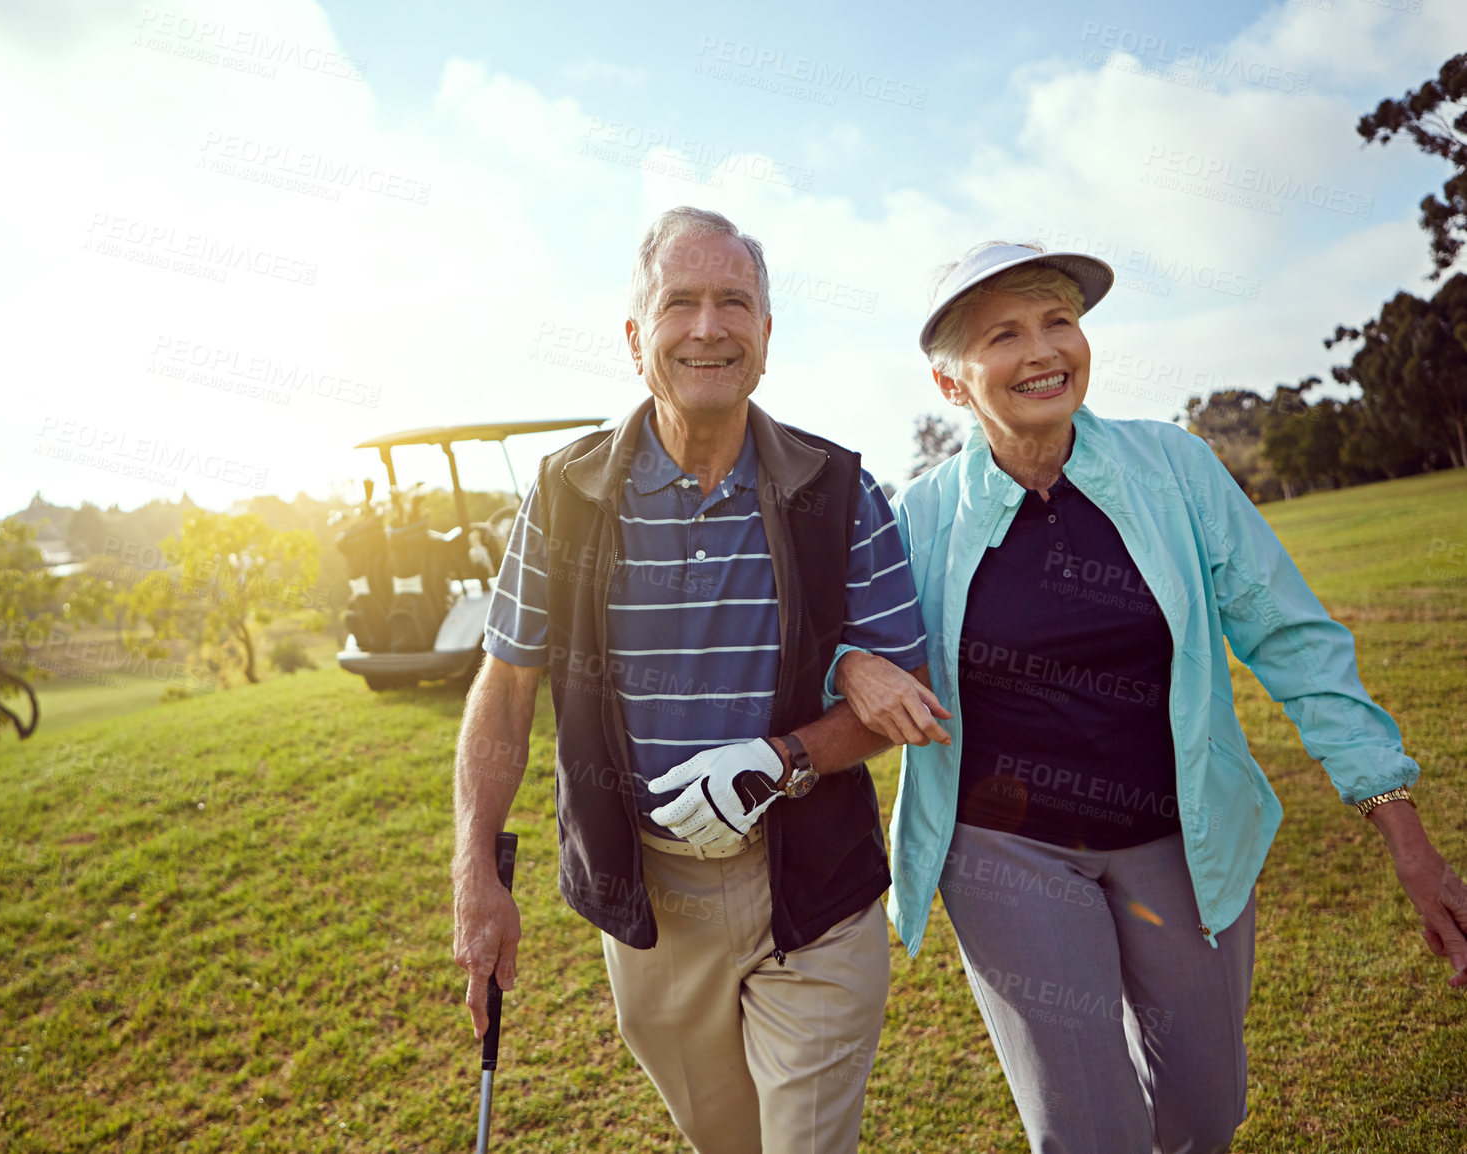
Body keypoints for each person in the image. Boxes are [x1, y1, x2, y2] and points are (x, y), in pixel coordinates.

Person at [830, 241, 1467, 1153]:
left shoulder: (1175, 468)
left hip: (1184, 835)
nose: (1044, 349)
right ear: (952, 384)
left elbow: (1292, 640)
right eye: (1004, 334)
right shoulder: (918, 516)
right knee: (1089, 1132)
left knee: (1205, 1113)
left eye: (1059, 321)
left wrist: (1402, 829)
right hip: (1009, 852)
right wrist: (854, 667)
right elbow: (846, 644)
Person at [449, 207, 940, 1153]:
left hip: (813, 894)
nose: (708, 327)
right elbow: (506, 688)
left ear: (765, 336)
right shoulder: (565, 496)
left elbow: (895, 700)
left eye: (734, 303)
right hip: (654, 903)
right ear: (637, 338)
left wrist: (780, 758)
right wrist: (476, 873)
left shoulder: (842, 493)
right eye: (681, 303)